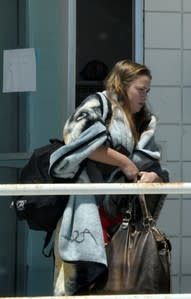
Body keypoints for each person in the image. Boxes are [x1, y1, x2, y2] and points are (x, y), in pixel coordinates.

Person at [48, 60, 169, 295]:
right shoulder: (98, 104)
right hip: (87, 208)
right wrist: (125, 163)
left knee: (119, 280)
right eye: (140, 89)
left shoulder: (144, 120)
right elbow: (77, 140)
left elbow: (149, 162)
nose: (144, 96)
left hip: (122, 214)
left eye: (147, 91)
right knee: (81, 281)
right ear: (121, 86)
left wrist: (154, 175)